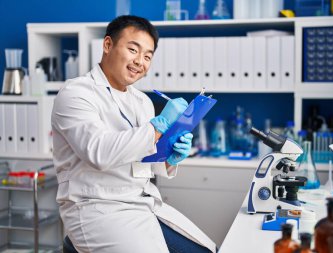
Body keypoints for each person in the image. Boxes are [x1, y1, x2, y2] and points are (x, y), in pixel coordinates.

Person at [51, 15, 216, 253]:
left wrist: (168, 159)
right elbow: (99, 153)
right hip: (96, 209)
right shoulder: (75, 94)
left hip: (141, 203)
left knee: (208, 251)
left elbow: (140, 164)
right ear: (108, 45)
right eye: (133, 49)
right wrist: (157, 128)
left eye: (148, 56)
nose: (140, 61)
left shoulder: (141, 101)